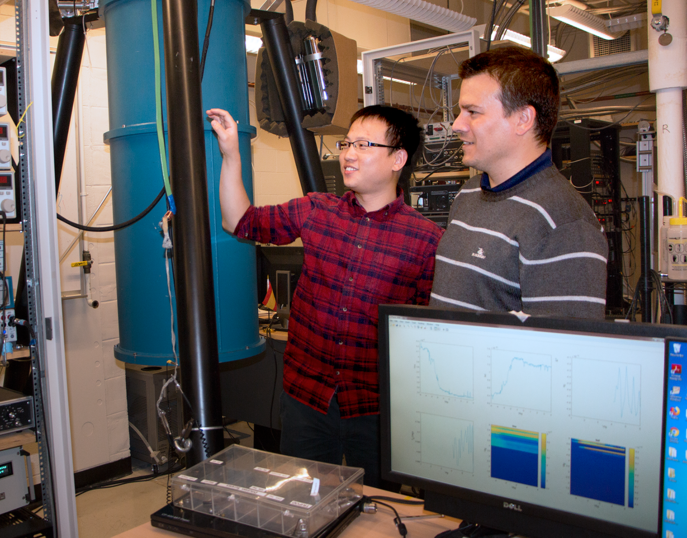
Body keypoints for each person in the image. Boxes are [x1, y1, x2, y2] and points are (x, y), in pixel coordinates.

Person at [207, 105, 443, 487]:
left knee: (379, 510)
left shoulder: (426, 241)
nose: (348, 154)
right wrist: (231, 152)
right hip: (306, 400)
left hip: (376, 409)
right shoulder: (317, 210)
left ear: (398, 158)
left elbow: (425, 341)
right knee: (306, 504)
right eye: (346, 143)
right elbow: (240, 221)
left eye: (364, 144)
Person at [430, 46, 608, 318]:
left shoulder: (564, 222)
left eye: (473, 112)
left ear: (523, 119)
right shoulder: (469, 193)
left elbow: (564, 349)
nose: (457, 125)